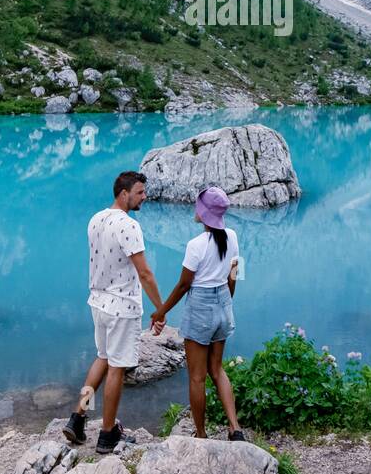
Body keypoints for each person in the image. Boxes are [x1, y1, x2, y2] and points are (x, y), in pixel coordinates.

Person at [63, 170, 164, 453]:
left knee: (102, 359)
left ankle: (77, 417)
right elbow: (145, 273)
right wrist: (160, 308)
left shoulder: (95, 219)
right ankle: (107, 434)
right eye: (140, 192)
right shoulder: (129, 226)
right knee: (117, 368)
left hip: (98, 302)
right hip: (122, 306)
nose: (144, 197)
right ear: (124, 194)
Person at [151, 185, 245, 441]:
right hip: (224, 303)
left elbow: (184, 285)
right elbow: (235, 274)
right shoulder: (233, 236)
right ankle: (235, 428)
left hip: (201, 307)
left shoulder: (196, 245)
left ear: (204, 213)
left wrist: (160, 311)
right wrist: (228, 300)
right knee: (217, 370)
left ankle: (201, 434)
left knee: (196, 377)